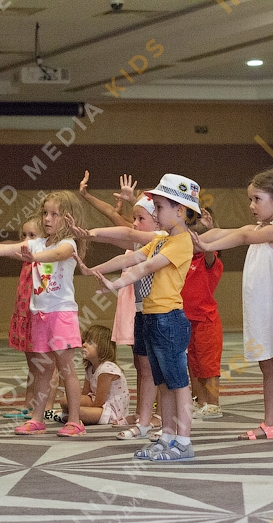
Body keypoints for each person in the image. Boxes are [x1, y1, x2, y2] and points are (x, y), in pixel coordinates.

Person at [82, 174, 200, 460]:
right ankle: (167, 436)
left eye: (159, 207)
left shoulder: (181, 241)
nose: (155, 213)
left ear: (180, 210)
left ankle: (184, 441)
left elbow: (146, 267)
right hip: (151, 317)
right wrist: (95, 269)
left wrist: (116, 284)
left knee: (178, 383)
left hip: (169, 319)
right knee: (163, 383)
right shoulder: (161, 239)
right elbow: (130, 258)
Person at [192, 168, 273, 444]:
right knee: (267, 368)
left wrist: (206, 247)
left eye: (257, 199)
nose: (251, 205)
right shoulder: (259, 229)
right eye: (250, 199)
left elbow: (243, 237)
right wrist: (197, 235)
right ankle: (270, 423)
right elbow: (226, 231)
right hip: (261, 314)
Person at [0, 191, 87, 437]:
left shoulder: (69, 244)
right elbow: (2, 249)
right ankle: (37, 419)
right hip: (39, 315)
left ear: (69, 218)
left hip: (61, 314)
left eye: (55, 214)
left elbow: (58, 255)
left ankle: (75, 421)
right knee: (43, 370)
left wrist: (34, 257)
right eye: (45, 213)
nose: (47, 218)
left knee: (66, 368)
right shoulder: (37, 243)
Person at [70, 192, 163, 439]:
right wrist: (92, 268)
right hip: (142, 311)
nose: (134, 224)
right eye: (134, 218)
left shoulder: (162, 240)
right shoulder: (144, 244)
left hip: (161, 313)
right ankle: (143, 414)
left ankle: (161, 415)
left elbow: (123, 233)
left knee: (159, 367)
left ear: (157, 220)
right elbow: (124, 252)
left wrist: (90, 233)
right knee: (142, 365)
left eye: (140, 219)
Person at [185, 208, 224, 420]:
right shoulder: (186, 261)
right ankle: (200, 400)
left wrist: (210, 232)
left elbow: (210, 251)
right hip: (187, 321)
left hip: (206, 321)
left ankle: (213, 403)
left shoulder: (209, 261)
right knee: (194, 365)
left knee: (209, 366)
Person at [60, 325, 129, 425]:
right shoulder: (90, 368)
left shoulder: (107, 368)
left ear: (103, 347)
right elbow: (84, 394)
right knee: (66, 400)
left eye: (90, 342)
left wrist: (79, 410)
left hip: (111, 410)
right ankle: (69, 415)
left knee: (77, 413)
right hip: (96, 403)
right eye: (84, 341)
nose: (84, 345)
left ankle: (65, 416)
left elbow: (100, 402)